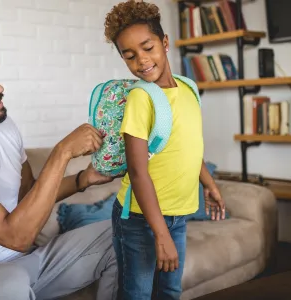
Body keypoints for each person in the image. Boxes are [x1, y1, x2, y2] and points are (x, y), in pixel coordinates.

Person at [104, 1, 226, 299]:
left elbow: (187, 147)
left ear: (165, 42)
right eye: (129, 56)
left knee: (170, 291)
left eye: (148, 48)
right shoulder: (140, 98)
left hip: (178, 215)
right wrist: (160, 233)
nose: (141, 61)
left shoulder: (189, 88)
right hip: (138, 219)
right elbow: (137, 170)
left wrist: (208, 183)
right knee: (138, 294)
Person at [0, 66, 118, 300]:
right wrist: (63, 151)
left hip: (27, 262)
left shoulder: (5, 128)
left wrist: (83, 179)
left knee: (122, 235)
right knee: (13, 284)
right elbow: (16, 237)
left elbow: (28, 193)